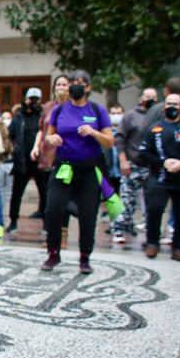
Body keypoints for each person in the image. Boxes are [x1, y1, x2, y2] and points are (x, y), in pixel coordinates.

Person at [40, 70, 114, 274]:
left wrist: (93, 132)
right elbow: (49, 135)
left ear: (88, 87)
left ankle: (85, 257)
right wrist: (51, 139)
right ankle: (53, 253)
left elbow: (109, 141)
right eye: (72, 82)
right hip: (64, 167)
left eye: (79, 83)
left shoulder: (97, 111)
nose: (74, 86)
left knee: (88, 214)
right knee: (53, 209)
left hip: (88, 169)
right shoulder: (59, 109)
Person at [139, 93, 180, 262]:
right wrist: (163, 163)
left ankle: (178, 247)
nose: (172, 107)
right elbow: (144, 152)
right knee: (154, 209)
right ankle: (152, 243)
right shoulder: (154, 128)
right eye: (168, 104)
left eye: (175, 104)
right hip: (159, 176)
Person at [112, 88, 158, 243]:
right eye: (147, 96)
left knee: (152, 202)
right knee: (127, 201)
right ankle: (118, 229)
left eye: (153, 96)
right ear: (141, 98)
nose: (150, 99)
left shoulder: (159, 116)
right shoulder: (131, 116)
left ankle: (151, 234)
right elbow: (120, 139)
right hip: (133, 165)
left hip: (153, 166)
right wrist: (123, 160)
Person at [7, 87, 46, 232]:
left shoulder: (43, 116)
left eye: (36, 99)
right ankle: (13, 221)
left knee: (45, 193)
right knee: (16, 193)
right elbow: (10, 134)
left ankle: (46, 223)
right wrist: (14, 149)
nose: (33, 102)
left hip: (39, 161)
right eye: (31, 99)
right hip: (21, 161)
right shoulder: (19, 116)